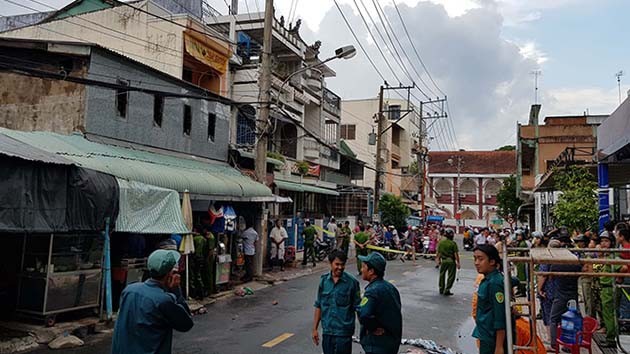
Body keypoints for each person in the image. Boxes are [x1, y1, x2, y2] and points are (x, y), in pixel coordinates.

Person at [112, 249, 194, 354]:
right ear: (169, 274)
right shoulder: (164, 300)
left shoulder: (129, 290)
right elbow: (186, 324)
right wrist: (176, 290)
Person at [312, 251, 361, 354]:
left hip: (344, 333)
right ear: (330, 264)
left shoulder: (352, 283)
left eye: (342, 264)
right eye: (337, 264)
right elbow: (319, 305)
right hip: (327, 331)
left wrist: (365, 330)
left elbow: (358, 307)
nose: (340, 267)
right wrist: (315, 329)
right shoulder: (324, 281)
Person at [357, 252, 402, 354]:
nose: (361, 270)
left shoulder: (372, 291)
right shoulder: (390, 288)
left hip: (377, 345)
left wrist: (373, 327)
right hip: (392, 343)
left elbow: (363, 314)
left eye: (363, 267)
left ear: (371, 271)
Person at [548, 232, 583, 350]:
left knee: (553, 319)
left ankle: (554, 344)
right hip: (572, 295)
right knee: (571, 319)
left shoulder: (556, 265)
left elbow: (551, 278)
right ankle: (569, 345)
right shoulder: (576, 265)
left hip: (560, 296)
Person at [472, 244, 506, 354]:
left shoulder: (495, 283)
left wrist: (499, 347)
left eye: (480, 259)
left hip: (492, 339)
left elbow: (500, 317)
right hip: (485, 334)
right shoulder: (487, 279)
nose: (476, 263)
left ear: (492, 261)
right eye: (475, 259)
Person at [597, 231, 619, 347]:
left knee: (610, 315)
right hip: (605, 288)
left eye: (606, 241)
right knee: (606, 314)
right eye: (602, 241)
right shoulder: (606, 255)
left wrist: (618, 279)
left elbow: (623, 267)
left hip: (610, 289)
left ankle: (611, 339)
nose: (603, 244)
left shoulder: (613, 256)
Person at [436, 228, 460, 295]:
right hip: (451, 261)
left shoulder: (441, 243)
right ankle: (447, 290)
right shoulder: (453, 243)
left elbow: (439, 254)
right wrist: (458, 263)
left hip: (443, 261)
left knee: (442, 275)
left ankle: (441, 289)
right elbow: (456, 254)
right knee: (451, 276)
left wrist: (438, 261)